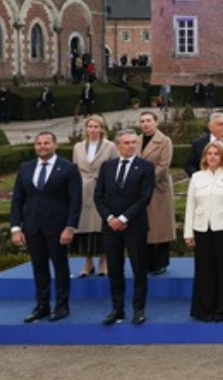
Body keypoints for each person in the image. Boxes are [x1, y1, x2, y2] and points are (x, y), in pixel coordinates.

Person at [9, 131, 81, 323]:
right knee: (39, 268)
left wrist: (70, 227)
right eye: (39, 143)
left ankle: (62, 305)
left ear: (55, 145)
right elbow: (17, 200)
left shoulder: (68, 168)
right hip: (32, 227)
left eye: (46, 143)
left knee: (60, 267)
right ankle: (42, 305)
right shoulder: (25, 168)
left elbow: (76, 201)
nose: (42, 146)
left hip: (57, 228)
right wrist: (15, 227)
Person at [93, 129, 156, 326]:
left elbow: (145, 197)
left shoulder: (145, 167)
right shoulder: (107, 167)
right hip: (110, 227)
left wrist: (124, 218)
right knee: (115, 270)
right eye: (126, 143)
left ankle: (139, 309)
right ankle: (117, 309)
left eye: (133, 143)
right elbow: (99, 196)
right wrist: (110, 218)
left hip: (135, 226)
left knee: (139, 269)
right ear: (118, 145)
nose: (131, 146)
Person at [183, 141, 223, 322]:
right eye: (209, 153)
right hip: (201, 230)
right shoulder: (196, 177)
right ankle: (205, 309)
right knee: (204, 271)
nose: (212, 157)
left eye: (216, 154)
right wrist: (188, 233)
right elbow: (190, 207)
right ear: (204, 156)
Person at [72, 114, 118, 278]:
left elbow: (115, 169)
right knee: (83, 227)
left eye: (96, 126)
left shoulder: (110, 146)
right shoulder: (78, 147)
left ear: (102, 128)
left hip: (102, 189)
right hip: (83, 190)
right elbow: (74, 169)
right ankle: (88, 262)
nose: (93, 130)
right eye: (90, 126)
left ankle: (103, 262)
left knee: (102, 226)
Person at [139, 111, 175, 276]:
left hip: (158, 188)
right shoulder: (136, 140)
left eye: (148, 120)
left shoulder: (164, 141)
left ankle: (161, 263)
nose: (145, 124)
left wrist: (145, 180)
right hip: (139, 190)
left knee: (160, 227)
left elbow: (163, 165)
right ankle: (146, 262)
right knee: (145, 227)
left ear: (155, 122)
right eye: (142, 121)